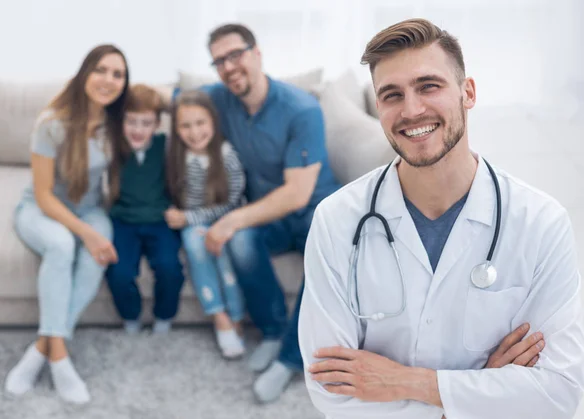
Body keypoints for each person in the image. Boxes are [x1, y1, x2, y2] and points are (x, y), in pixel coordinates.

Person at [299, 18, 584, 419]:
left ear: (468, 92)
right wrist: (478, 393)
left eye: (428, 86)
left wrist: (407, 383)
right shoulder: (337, 220)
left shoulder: (541, 224)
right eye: (392, 95)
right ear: (378, 106)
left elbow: (559, 392)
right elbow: (330, 388)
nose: (412, 110)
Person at [191, 23, 341, 402]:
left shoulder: (301, 108)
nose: (228, 66)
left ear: (257, 54)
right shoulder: (220, 99)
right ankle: (272, 332)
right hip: (269, 216)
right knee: (240, 242)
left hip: (315, 211)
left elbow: (297, 194)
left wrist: (229, 219)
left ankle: (290, 359)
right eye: (219, 61)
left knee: (324, 258)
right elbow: (172, 98)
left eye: (235, 54)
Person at [4, 44, 129, 404]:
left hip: (90, 209)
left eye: (117, 74)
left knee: (99, 254)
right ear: (85, 73)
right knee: (61, 245)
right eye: (101, 70)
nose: (109, 80)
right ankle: (59, 358)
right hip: (43, 210)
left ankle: (41, 347)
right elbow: (43, 195)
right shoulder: (52, 123)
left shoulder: (113, 123)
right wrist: (86, 233)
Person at [164, 90, 247, 358]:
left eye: (200, 123)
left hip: (225, 218)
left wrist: (189, 218)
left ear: (213, 121)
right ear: (176, 129)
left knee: (222, 250)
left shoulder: (226, 155)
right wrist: (184, 219)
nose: (194, 132)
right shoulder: (175, 156)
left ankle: (236, 314)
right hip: (192, 225)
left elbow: (233, 203)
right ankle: (219, 316)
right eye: (185, 126)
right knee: (193, 243)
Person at [104, 84, 186, 335]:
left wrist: (163, 100)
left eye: (146, 123)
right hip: (123, 220)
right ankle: (131, 315)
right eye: (132, 122)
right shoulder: (112, 145)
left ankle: (164, 315)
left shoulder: (166, 145)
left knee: (169, 267)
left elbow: (180, 111)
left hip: (159, 219)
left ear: (158, 124)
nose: (138, 130)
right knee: (119, 272)